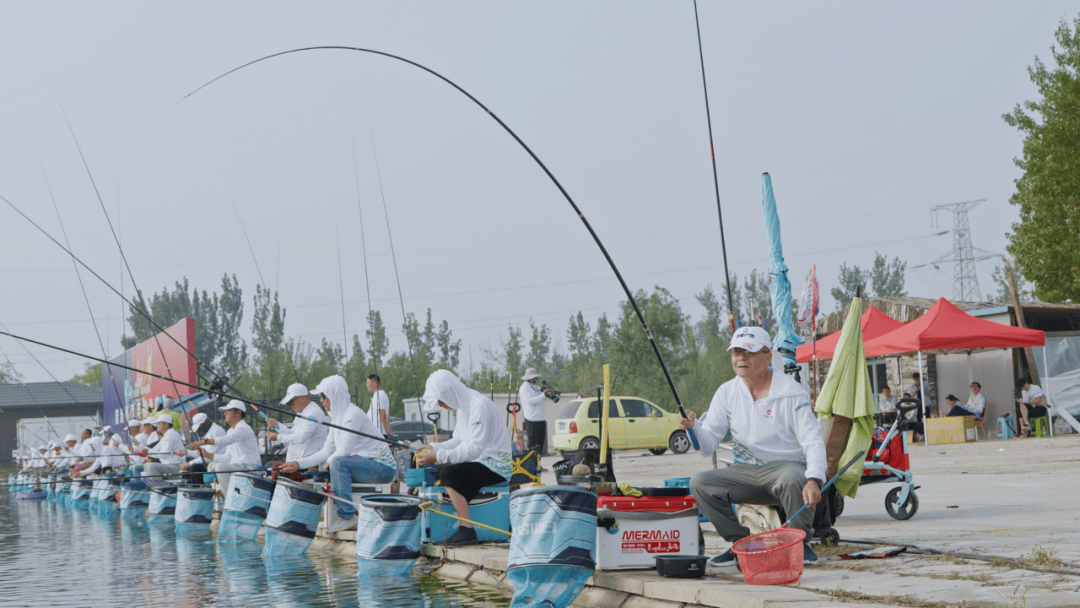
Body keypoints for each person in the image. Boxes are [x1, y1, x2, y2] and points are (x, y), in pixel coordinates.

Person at [680, 326, 827, 565]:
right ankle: (743, 544)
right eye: (736, 352)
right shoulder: (726, 392)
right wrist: (692, 428)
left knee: (792, 477)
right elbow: (707, 446)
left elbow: (813, 441)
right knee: (700, 482)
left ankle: (800, 543)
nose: (741, 358)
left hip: (785, 469)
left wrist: (814, 479)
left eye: (748, 352)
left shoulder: (791, 392)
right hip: (745, 471)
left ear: (767, 357)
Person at [278, 375, 395, 533]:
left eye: (323, 396)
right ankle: (337, 514)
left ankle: (348, 516)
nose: (321, 401)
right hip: (366, 465)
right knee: (329, 466)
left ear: (334, 395)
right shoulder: (336, 419)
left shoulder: (353, 414)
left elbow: (343, 451)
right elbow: (326, 451)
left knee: (338, 463)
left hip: (383, 468)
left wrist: (330, 461)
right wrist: (298, 464)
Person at [416, 370, 513, 547]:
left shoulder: (479, 405)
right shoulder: (463, 408)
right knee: (436, 473)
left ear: (449, 393)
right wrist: (433, 448)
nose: (442, 405)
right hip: (480, 463)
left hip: (497, 466)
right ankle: (431, 526)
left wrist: (437, 456)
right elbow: (458, 440)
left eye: (441, 401)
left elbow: (474, 449)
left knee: (448, 473)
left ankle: (466, 529)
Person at [187, 400, 260, 492]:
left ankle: (227, 498)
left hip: (250, 467)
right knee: (211, 465)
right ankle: (217, 495)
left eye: (228, 411)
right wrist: (208, 455)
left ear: (238, 412)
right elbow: (227, 457)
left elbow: (227, 440)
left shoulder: (243, 428)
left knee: (220, 468)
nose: (225, 413)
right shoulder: (230, 431)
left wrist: (204, 442)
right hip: (238, 466)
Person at [267, 383, 329, 463]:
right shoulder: (302, 413)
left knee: (270, 467)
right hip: (298, 461)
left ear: (302, 398)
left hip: (310, 463)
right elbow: (293, 433)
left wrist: (279, 437)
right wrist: (277, 426)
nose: (289, 406)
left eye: (291, 402)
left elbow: (302, 437)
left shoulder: (313, 412)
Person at [519, 368, 551, 460]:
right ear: (528, 378)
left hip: (540, 419)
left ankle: (538, 465)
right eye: (534, 378)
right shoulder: (524, 387)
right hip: (532, 420)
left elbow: (542, 398)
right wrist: (543, 395)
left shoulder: (536, 387)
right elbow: (530, 401)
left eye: (536, 377)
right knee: (533, 446)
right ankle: (531, 466)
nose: (535, 379)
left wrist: (548, 394)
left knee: (540, 446)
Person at [143, 414, 186, 479]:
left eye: (159, 423)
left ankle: (160, 487)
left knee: (152, 466)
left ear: (166, 424)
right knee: (147, 465)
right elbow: (155, 449)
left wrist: (148, 451)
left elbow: (164, 455)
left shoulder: (169, 435)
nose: (157, 426)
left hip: (176, 466)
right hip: (170, 466)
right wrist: (145, 450)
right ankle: (153, 485)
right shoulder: (167, 435)